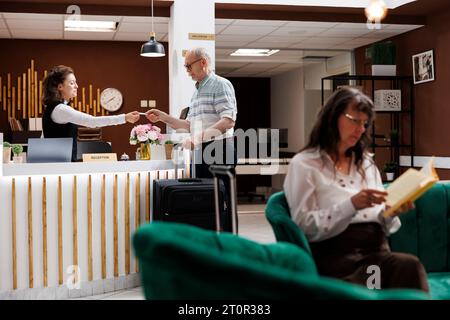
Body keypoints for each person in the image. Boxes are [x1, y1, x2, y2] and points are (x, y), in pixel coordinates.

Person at [283, 87, 429, 292]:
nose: (360, 129)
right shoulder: (305, 164)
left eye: (364, 123)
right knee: (371, 283)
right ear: (333, 117)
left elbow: (384, 223)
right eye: (354, 120)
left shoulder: (366, 164)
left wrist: (390, 212)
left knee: (409, 266)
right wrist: (351, 205)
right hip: (337, 256)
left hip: (376, 253)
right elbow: (304, 226)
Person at [146, 47, 237, 191]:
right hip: (201, 149)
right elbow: (189, 125)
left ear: (203, 62)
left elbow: (228, 121)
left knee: (221, 200)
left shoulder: (221, 84)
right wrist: (163, 117)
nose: (187, 70)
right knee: (204, 199)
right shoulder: (197, 91)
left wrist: (196, 139)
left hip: (220, 148)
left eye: (189, 65)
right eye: (185, 66)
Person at [42, 65, 140, 161]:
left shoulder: (52, 108)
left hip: (55, 163)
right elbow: (92, 121)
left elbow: (44, 137)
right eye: (72, 83)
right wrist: (124, 118)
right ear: (60, 87)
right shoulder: (61, 109)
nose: (77, 86)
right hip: (60, 165)